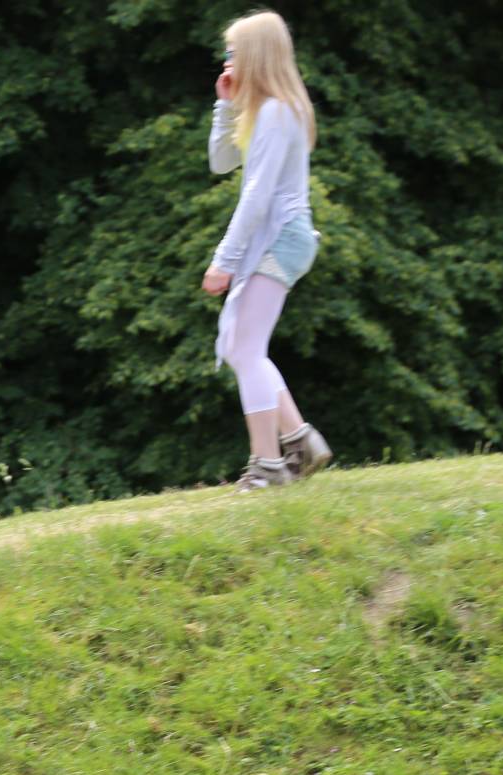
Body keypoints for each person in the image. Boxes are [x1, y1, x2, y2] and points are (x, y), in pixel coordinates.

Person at [203, 11, 333, 492]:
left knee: (245, 349)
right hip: (284, 238)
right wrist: (225, 107)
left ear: (255, 55)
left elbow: (256, 197)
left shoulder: (278, 112)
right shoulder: (266, 111)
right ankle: (301, 443)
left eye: (234, 51)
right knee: (245, 349)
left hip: (281, 238)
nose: (227, 59)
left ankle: (268, 466)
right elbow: (222, 164)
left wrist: (225, 259)